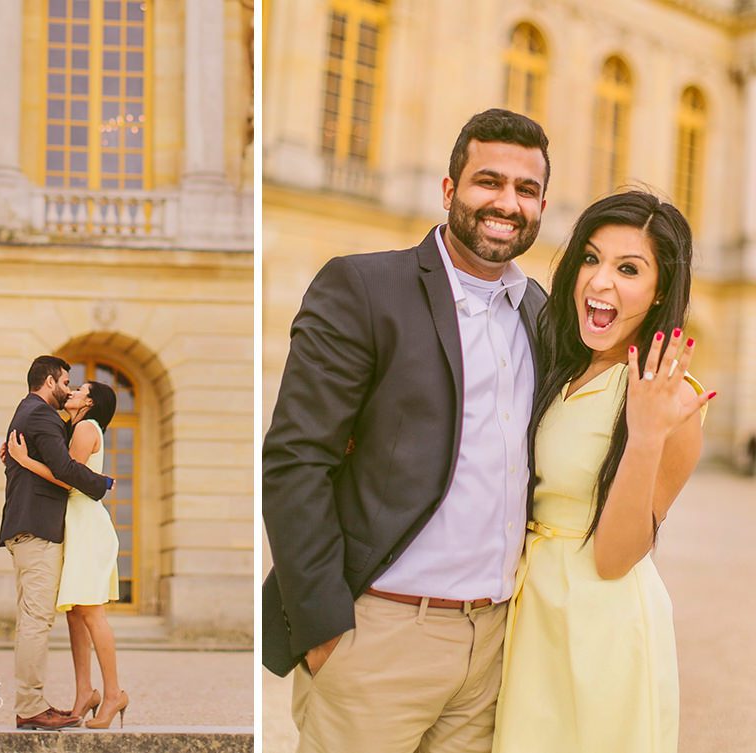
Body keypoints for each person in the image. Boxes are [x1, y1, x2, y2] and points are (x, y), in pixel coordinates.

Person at [263, 108, 550, 753]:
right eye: (488, 182)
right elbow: (295, 459)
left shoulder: (539, 312)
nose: (507, 203)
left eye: (525, 190)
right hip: (380, 636)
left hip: (497, 649)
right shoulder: (364, 287)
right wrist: (322, 629)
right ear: (449, 191)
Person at [491, 191, 715, 753]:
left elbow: (617, 556)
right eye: (590, 259)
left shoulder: (672, 400)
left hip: (599, 627)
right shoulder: (558, 360)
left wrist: (644, 435)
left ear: (661, 289)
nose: (599, 282)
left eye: (629, 268)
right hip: (524, 610)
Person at [0, 356, 114, 731]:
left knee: (73, 613)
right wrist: (102, 484)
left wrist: (19, 458)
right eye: (67, 382)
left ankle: (95, 693)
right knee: (39, 619)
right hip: (41, 529)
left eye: (76, 387)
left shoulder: (35, 414)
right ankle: (31, 706)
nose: (70, 388)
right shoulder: (43, 417)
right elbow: (65, 473)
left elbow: (57, 463)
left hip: (53, 527)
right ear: (50, 381)